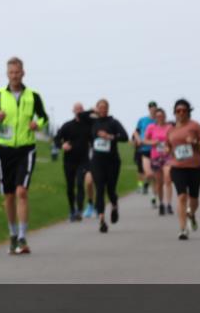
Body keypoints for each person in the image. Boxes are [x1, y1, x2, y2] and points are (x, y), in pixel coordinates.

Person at [0, 57, 49, 254]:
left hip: (26, 148)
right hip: (4, 150)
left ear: (23, 73)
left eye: (17, 72)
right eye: (11, 72)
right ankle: (12, 235)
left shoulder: (33, 96)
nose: (14, 76)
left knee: (22, 192)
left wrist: (38, 125)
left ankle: (22, 237)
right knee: (9, 195)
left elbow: (44, 117)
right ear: (7, 74)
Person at [167, 98, 200, 240]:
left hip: (195, 167)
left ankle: (191, 214)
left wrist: (195, 142)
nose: (181, 113)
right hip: (177, 167)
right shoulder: (171, 129)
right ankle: (183, 229)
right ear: (174, 113)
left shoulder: (195, 126)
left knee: (194, 198)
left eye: (184, 110)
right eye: (178, 110)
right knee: (181, 197)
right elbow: (168, 146)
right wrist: (167, 151)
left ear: (188, 112)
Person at [88, 99, 129, 233]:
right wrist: (92, 111)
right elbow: (80, 116)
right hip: (97, 161)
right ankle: (101, 220)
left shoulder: (113, 122)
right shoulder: (93, 122)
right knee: (99, 188)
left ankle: (114, 206)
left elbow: (124, 137)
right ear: (97, 109)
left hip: (112, 161)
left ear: (108, 109)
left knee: (111, 189)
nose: (102, 109)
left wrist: (109, 136)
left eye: (105, 107)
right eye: (100, 107)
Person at [53, 102, 93, 222]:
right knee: (70, 186)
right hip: (69, 161)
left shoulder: (88, 125)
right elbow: (56, 139)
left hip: (84, 160)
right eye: (77, 109)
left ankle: (79, 210)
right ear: (73, 111)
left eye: (81, 109)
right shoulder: (67, 125)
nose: (79, 111)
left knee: (80, 183)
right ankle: (72, 209)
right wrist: (62, 145)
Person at [142, 108, 174, 215]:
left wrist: (169, 147)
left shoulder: (170, 127)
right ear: (155, 117)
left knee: (168, 179)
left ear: (165, 116)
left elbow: (173, 140)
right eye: (158, 116)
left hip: (167, 157)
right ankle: (161, 203)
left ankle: (169, 204)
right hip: (155, 157)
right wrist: (152, 142)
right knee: (159, 183)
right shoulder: (151, 127)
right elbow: (145, 140)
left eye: (162, 116)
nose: (160, 117)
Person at [131, 101, 158, 200]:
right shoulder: (142, 120)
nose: (153, 109)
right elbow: (136, 131)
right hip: (143, 149)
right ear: (149, 109)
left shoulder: (158, 120)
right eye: (151, 108)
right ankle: (140, 185)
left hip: (156, 150)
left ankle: (152, 194)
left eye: (154, 108)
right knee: (142, 170)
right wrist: (137, 140)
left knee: (154, 174)